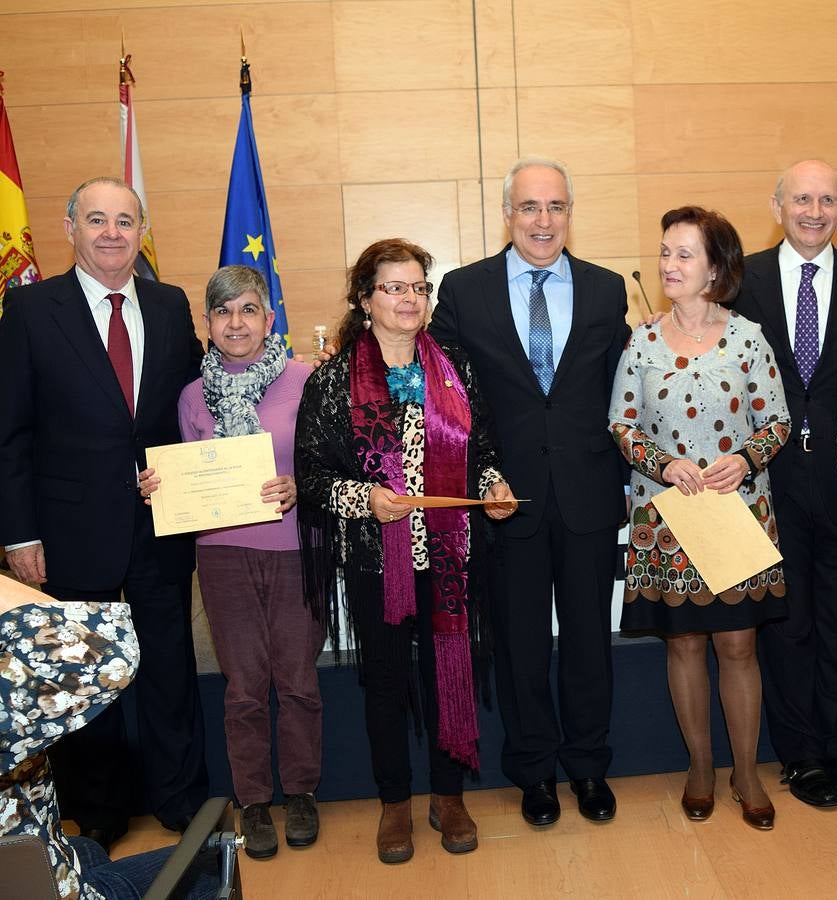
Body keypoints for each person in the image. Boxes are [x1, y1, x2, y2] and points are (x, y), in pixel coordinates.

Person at [0, 177, 208, 850]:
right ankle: (99, 814)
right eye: (97, 219)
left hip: (160, 523)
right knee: (86, 680)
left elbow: (195, 405)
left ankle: (181, 803)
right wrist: (19, 532)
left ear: (141, 230)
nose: (112, 232)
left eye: (125, 220)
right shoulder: (29, 309)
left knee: (170, 669)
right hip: (66, 530)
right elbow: (10, 431)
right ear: (70, 229)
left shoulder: (171, 304)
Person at [295, 238, 515, 864]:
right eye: (393, 288)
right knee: (385, 682)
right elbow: (309, 476)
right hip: (376, 560)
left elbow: (485, 452)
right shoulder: (335, 379)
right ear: (365, 300)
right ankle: (394, 803)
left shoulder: (456, 368)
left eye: (418, 287)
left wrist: (493, 484)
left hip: (450, 558)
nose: (409, 299)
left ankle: (448, 797)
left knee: (451, 671)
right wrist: (364, 498)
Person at [429, 157, 630, 827]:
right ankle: (534, 772)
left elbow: (629, 384)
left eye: (556, 207)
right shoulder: (464, 290)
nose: (543, 220)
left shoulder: (606, 291)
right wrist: (479, 475)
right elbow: (446, 397)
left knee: (586, 644)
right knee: (518, 645)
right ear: (507, 214)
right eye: (529, 208)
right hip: (503, 500)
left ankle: (588, 767)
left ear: (570, 213)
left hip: (587, 496)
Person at [610, 206, 789, 829]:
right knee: (684, 643)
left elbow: (778, 422)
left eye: (685, 254)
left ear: (716, 269)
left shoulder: (748, 337)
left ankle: (746, 772)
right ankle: (699, 768)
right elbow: (622, 426)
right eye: (665, 252)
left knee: (738, 644)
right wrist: (664, 465)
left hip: (737, 513)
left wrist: (744, 460)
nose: (669, 265)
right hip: (667, 520)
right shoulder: (642, 341)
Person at [138, 266, 323, 860]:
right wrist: (158, 485)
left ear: (270, 319)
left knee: (296, 681)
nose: (236, 322)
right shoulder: (192, 396)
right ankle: (255, 802)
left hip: (298, 549)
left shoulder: (307, 381)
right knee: (244, 687)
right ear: (208, 325)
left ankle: (301, 792)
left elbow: (332, 465)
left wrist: (301, 485)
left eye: (248, 309)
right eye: (223, 312)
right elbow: (188, 479)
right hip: (221, 554)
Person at [734, 160, 837, 808]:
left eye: (827, 199)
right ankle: (799, 756)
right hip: (766, 483)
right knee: (785, 625)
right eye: (801, 198)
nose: (814, 210)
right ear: (777, 205)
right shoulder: (739, 279)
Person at [1, 574, 217, 900]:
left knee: (86, 848)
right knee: (209, 865)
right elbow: (110, 652)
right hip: (39, 885)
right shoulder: (10, 700)